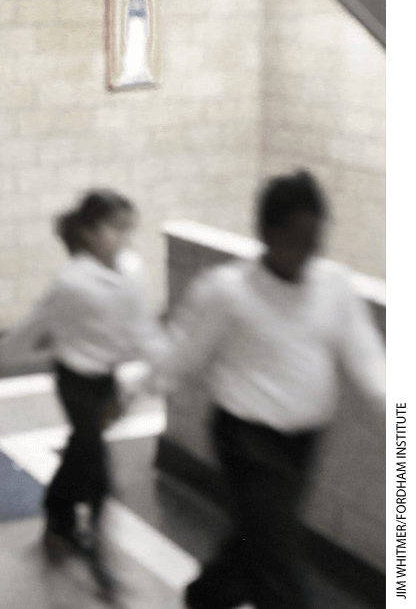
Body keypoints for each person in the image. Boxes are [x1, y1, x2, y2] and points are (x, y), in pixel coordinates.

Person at [147, 171, 386, 609]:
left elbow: (371, 364)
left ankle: (207, 595)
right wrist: (129, 395)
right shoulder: (227, 290)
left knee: (259, 537)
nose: (309, 250)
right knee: (277, 558)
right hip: (246, 440)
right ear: (267, 233)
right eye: (297, 237)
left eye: (316, 237)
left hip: (303, 443)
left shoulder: (334, 286)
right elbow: (181, 354)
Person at [0, 188, 160, 598]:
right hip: (74, 379)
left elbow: (144, 331)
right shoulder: (71, 281)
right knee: (97, 465)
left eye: (127, 229)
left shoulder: (133, 270)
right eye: (113, 228)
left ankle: (57, 516)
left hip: (106, 378)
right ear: (87, 231)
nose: (122, 237)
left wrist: (141, 385)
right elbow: (38, 323)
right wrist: (4, 355)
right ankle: (99, 556)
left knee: (82, 448)